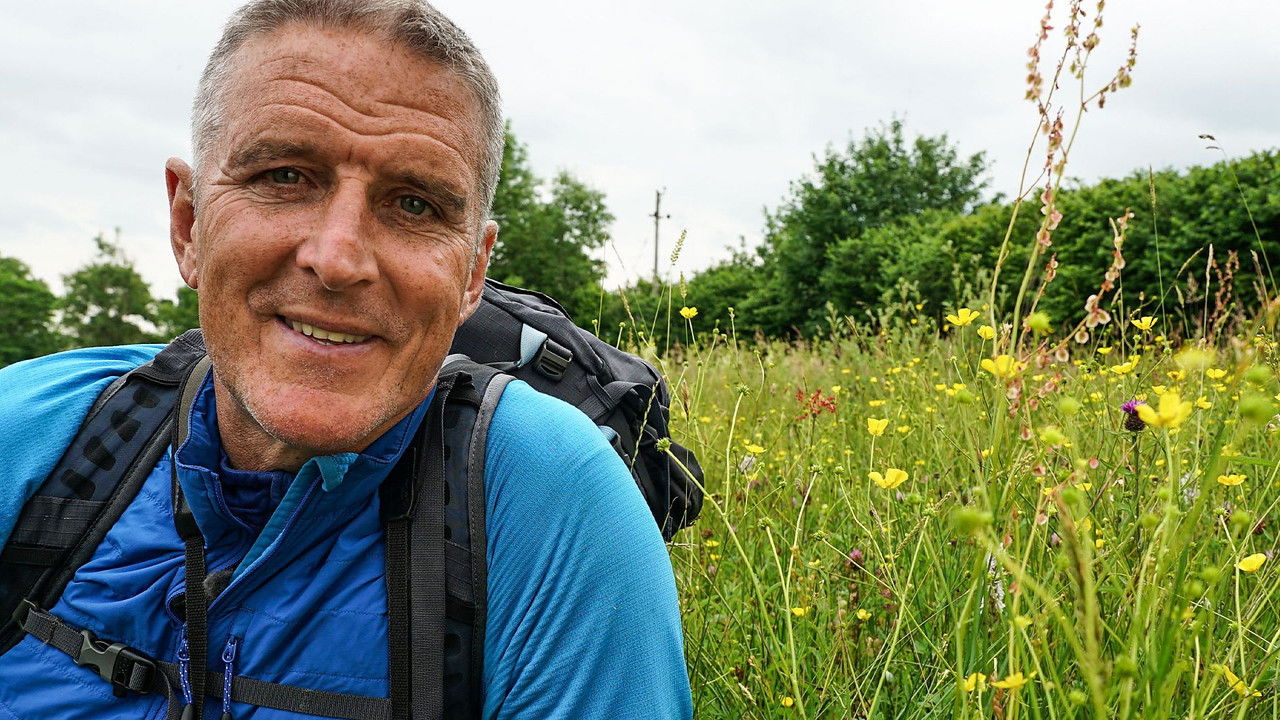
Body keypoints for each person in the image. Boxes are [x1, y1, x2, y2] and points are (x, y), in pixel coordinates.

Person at [0, 1, 692, 718]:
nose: (337, 259)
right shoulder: (33, 432)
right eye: (285, 176)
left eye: (415, 204)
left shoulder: (553, 503)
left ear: (471, 276)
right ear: (190, 223)